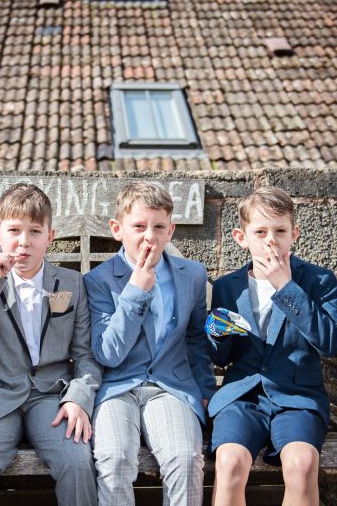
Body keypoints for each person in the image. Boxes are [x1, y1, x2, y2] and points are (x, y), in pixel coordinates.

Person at [0, 183, 102, 506]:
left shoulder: (72, 283)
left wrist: (78, 399)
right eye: (14, 230)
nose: (24, 242)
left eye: (34, 231)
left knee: (76, 461)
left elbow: (85, 354)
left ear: (50, 236)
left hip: (50, 398)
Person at [207, 186, 337, 506]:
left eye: (280, 230)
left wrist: (286, 287)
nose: (271, 239)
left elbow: (330, 344)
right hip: (243, 395)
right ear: (242, 238)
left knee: (302, 464)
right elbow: (221, 357)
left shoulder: (319, 280)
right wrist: (216, 332)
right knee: (228, 464)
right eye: (260, 231)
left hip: (297, 396)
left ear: (294, 234)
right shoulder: (228, 286)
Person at [84, 181, 216, 506]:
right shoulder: (97, 281)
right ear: (118, 229)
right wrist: (135, 291)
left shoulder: (192, 275)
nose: (149, 236)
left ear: (170, 230)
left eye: (158, 227)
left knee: (186, 459)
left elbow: (196, 340)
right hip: (117, 388)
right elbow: (108, 353)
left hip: (170, 386)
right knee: (114, 461)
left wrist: (204, 392)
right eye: (139, 226)